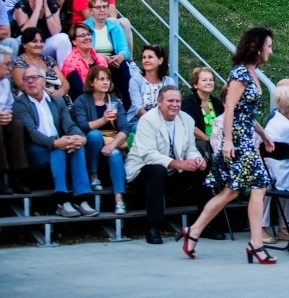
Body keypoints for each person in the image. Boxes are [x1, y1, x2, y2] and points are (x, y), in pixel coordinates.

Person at [178, 27, 277, 263]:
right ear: (257, 47)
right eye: (269, 46)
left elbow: (246, 112)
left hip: (246, 138)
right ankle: (256, 243)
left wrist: (263, 134)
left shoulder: (252, 73)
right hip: (237, 140)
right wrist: (228, 141)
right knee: (259, 186)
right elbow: (230, 108)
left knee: (230, 191)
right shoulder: (240, 73)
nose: (271, 51)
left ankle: (194, 231)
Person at [125, 86, 210, 244]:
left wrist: (197, 159)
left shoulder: (187, 120)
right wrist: (180, 164)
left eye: (178, 101)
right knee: (158, 170)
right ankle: (153, 227)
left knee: (202, 169)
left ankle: (202, 225)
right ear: (159, 102)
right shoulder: (148, 120)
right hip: (141, 172)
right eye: (170, 100)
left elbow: (190, 148)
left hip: (173, 172)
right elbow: (148, 154)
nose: (175, 104)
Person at [15, 65, 97, 218]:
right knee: (59, 149)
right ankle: (62, 200)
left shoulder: (57, 102)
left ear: (44, 80)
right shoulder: (20, 104)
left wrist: (81, 137)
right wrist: (55, 143)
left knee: (77, 147)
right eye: (26, 79)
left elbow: (69, 125)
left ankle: (82, 198)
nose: (30, 82)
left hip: (59, 145)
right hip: (35, 151)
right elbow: (32, 133)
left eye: (34, 78)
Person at [72, 66, 128, 213]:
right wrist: (103, 119)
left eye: (108, 79)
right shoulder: (81, 101)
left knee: (116, 154)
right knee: (95, 135)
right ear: (91, 82)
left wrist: (113, 145)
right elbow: (82, 126)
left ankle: (119, 199)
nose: (105, 82)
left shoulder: (114, 101)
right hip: (91, 148)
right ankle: (93, 175)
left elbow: (124, 129)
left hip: (109, 145)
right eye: (101, 79)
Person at [262, 85, 289, 244]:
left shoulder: (275, 119)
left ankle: (285, 227)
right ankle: (279, 226)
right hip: (280, 172)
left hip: (276, 169)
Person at [82, 0, 132, 109]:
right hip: (93, 60)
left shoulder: (114, 25)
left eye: (105, 6)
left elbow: (125, 49)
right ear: (91, 10)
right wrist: (103, 58)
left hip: (113, 59)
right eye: (98, 7)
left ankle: (128, 108)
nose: (102, 10)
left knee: (124, 67)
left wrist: (120, 56)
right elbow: (83, 50)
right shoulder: (84, 27)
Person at [11, 0, 71, 65]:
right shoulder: (21, 6)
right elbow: (27, 32)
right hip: (24, 45)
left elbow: (55, 32)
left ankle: (66, 72)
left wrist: (45, 7)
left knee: (63, 38)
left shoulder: (53, 5)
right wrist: (38, 8)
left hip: (43, 44)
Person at [0, 45, 30, 194]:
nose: (10, 68)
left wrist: (8, 114)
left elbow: (11, 105)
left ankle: (16, 176)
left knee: (17, 125)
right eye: (6, 64)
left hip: (3, 121)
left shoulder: (5, 82)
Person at [11, 27, 70, 99]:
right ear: (24, 45)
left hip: (59, 99)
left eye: (41, 41)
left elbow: (65, 82)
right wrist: (49, 94)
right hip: (34, 101)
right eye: (34, 41)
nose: (39, 44)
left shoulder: (48, 59)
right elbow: (23, 86)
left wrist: (61, 91)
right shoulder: (18, 62)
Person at [128, 44, 176, 131]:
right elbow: (138, 108)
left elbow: (172, 105)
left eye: (150, 57)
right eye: (144, 57)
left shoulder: (169, 82)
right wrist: (156, 124)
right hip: (138, 120)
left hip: (164, 120)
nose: (146, 60)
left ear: (160, 60)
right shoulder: (136, 80)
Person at [181, 67, 224, 160]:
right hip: (198, 143)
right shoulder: (188, 102)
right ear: (195, 84)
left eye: (211, 80)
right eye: (204, 80)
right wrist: (209, 140)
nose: (209, 82)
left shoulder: (217, 102)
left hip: (217, 141)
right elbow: (192, 128)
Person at [60, 22, 108, 100]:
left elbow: (108, 85)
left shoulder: (101, 59)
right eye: (82, 35)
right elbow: (78, 91)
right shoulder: (70, 63)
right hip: (83, 104)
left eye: (88, 34)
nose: (87, 38)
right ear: (74, 41)